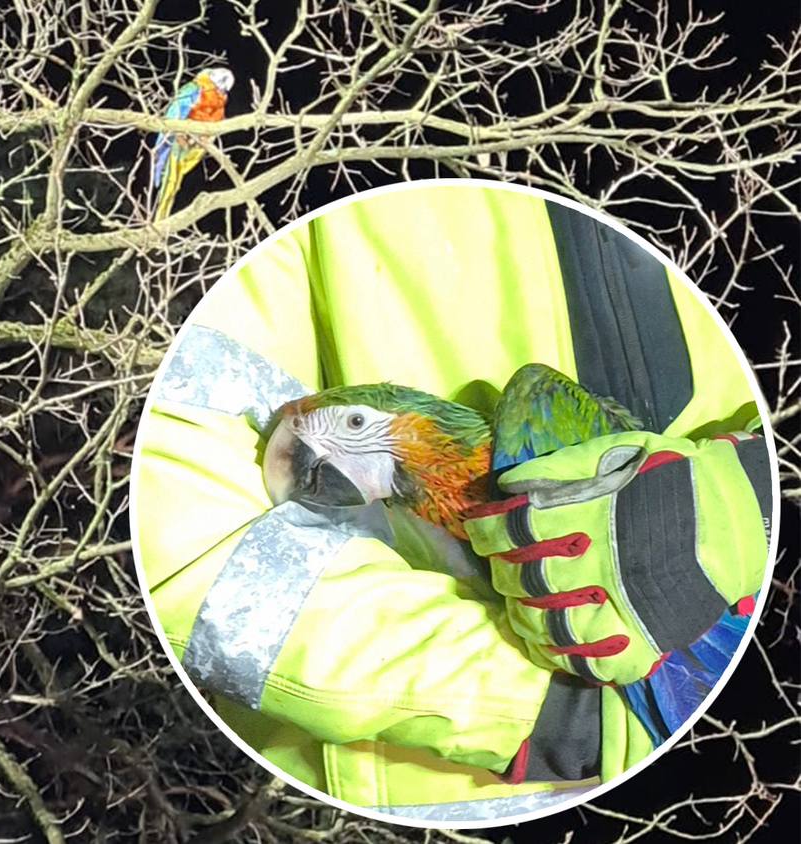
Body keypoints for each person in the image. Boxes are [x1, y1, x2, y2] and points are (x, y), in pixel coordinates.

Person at [134, 183, 772, 821]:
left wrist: (756, 491)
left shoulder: (526, 415)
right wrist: (556, 714)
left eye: (356, 425)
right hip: (416, 789)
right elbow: (180, 539)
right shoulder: (285, 214)